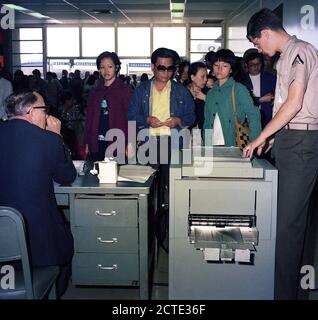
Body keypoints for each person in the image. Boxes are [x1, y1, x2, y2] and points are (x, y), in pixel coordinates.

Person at [243, 8, 318, 300]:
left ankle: (285, 295)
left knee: (288, 228)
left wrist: (263, 134)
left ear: (265, 33)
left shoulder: (300, 51)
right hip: (291, 139)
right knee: (284, 223)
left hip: (301, 142)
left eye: (256, 42)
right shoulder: (286, 57)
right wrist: (275, 137)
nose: (258, 49)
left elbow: (295, 103)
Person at [0, 90, 77, 298]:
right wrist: (57, 137)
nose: (47, 115)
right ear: (32, 112)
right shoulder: (48, 140)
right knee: (67, 246)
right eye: (45, 110)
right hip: (37, 243)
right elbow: (66, 176)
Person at [128, 47, 195, 205]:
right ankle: (151, 224)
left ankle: (168, 224)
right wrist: (147, 120)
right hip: (148, 143)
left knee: (171, 188)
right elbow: (131, 115)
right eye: (161, 68)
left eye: (170, 68)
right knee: (148, 188)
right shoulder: (141, 90)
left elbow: (192, 116)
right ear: (153, 67)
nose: (166, 73)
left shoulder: (181, 91)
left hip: (173, 143)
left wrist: (178, 120)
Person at [203, 49, 261, 146]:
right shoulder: (211, 93)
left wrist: (254, 142)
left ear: (231, 69)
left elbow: (253, 114)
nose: (219, 69)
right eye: (216, 65)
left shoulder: (239, 89)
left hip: (233, 143)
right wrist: (207, 144)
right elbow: (207, 121)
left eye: (224, 66)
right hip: (212, 145)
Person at [83, 51, 133, 161]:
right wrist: (87, 142)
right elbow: (89, 120)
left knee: (115, 176)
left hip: (118, 143)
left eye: (110, 66)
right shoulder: (95, 92)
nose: (106, 71)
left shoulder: (125, 91)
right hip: (97, 143)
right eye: (102, 67)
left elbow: (131, 119)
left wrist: (130, 143)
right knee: (96, 174)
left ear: (116, 67)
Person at [244, 51, 276, 129]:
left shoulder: (271, 78)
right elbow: (243, 102)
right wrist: (261, 99)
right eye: (252, 65)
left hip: (267, 118)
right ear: (246, 65)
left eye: (258, 64)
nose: (256, 67)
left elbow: (279, 95)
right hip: (247, 118)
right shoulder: (242, 80)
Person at [187, 62, 209, 131]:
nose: (205, 79)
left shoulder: (209, 92)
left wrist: (205, 98)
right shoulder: (183, 92)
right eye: (202, 77)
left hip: (208, 130)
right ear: (192, 77)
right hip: (187, 131)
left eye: (206, 76)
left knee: (208, 142)